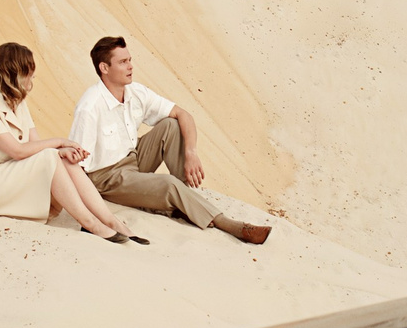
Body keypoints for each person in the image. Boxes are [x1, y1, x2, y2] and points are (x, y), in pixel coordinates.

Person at [68, 36, 272, 245]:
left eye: (130, 60)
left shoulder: (135, 92)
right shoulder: (90, 106)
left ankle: (184, 200)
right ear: (104, 67)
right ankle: (227, 223)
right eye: (123, 62)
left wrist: (191, 153)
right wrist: (91, 216)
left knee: (171, 125)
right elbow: (76, 166)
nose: (130, 66)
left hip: (134, 158)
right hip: (107, 178)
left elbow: (183, 114)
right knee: (168, 184)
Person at [0, 42, 146, 244]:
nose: (31, 80)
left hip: (8, 174)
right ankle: (90, 223)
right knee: (51, 154)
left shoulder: (17, 102)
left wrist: (63, 150)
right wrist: (59, 142)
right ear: (13, 73)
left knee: (63, 159)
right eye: (28, 74)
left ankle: (110, 220)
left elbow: (35, 146)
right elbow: (18, 151)